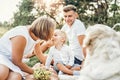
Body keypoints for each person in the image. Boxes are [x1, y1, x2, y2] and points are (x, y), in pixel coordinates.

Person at [0, 16, 56, 80]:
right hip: (2, 56)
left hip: (11, 61)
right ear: (44, 31)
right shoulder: (21, 35)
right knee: (2, 73)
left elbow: (38, 53)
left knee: (16, 77)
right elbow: (16, 61)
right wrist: (34, 71)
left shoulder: (37, 36)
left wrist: (47, 67)